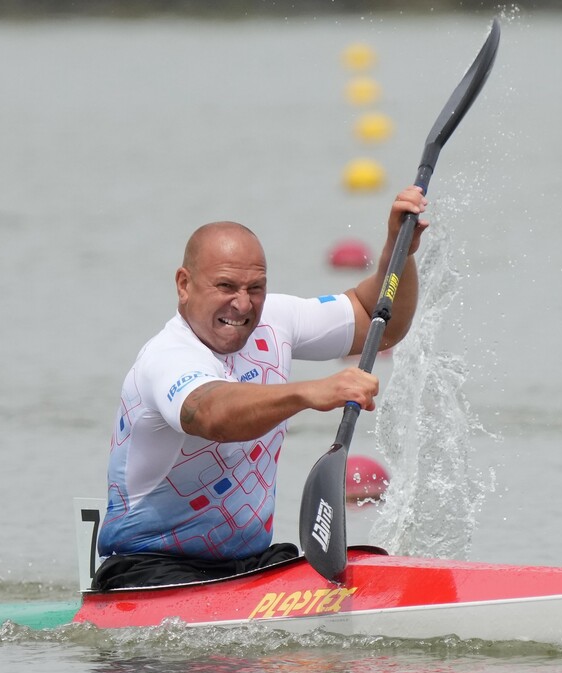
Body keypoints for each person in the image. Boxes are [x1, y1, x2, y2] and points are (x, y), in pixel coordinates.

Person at [94, 186, 428, 588]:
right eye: (225, 286)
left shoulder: (276, 319)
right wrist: (307, 393)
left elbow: (380, 322)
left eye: (255, 288)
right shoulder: (167, 357)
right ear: (184, 284)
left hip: (249, 565)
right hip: (150, 571)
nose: (243, 304)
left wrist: (399, 249)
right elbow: (212, 414)